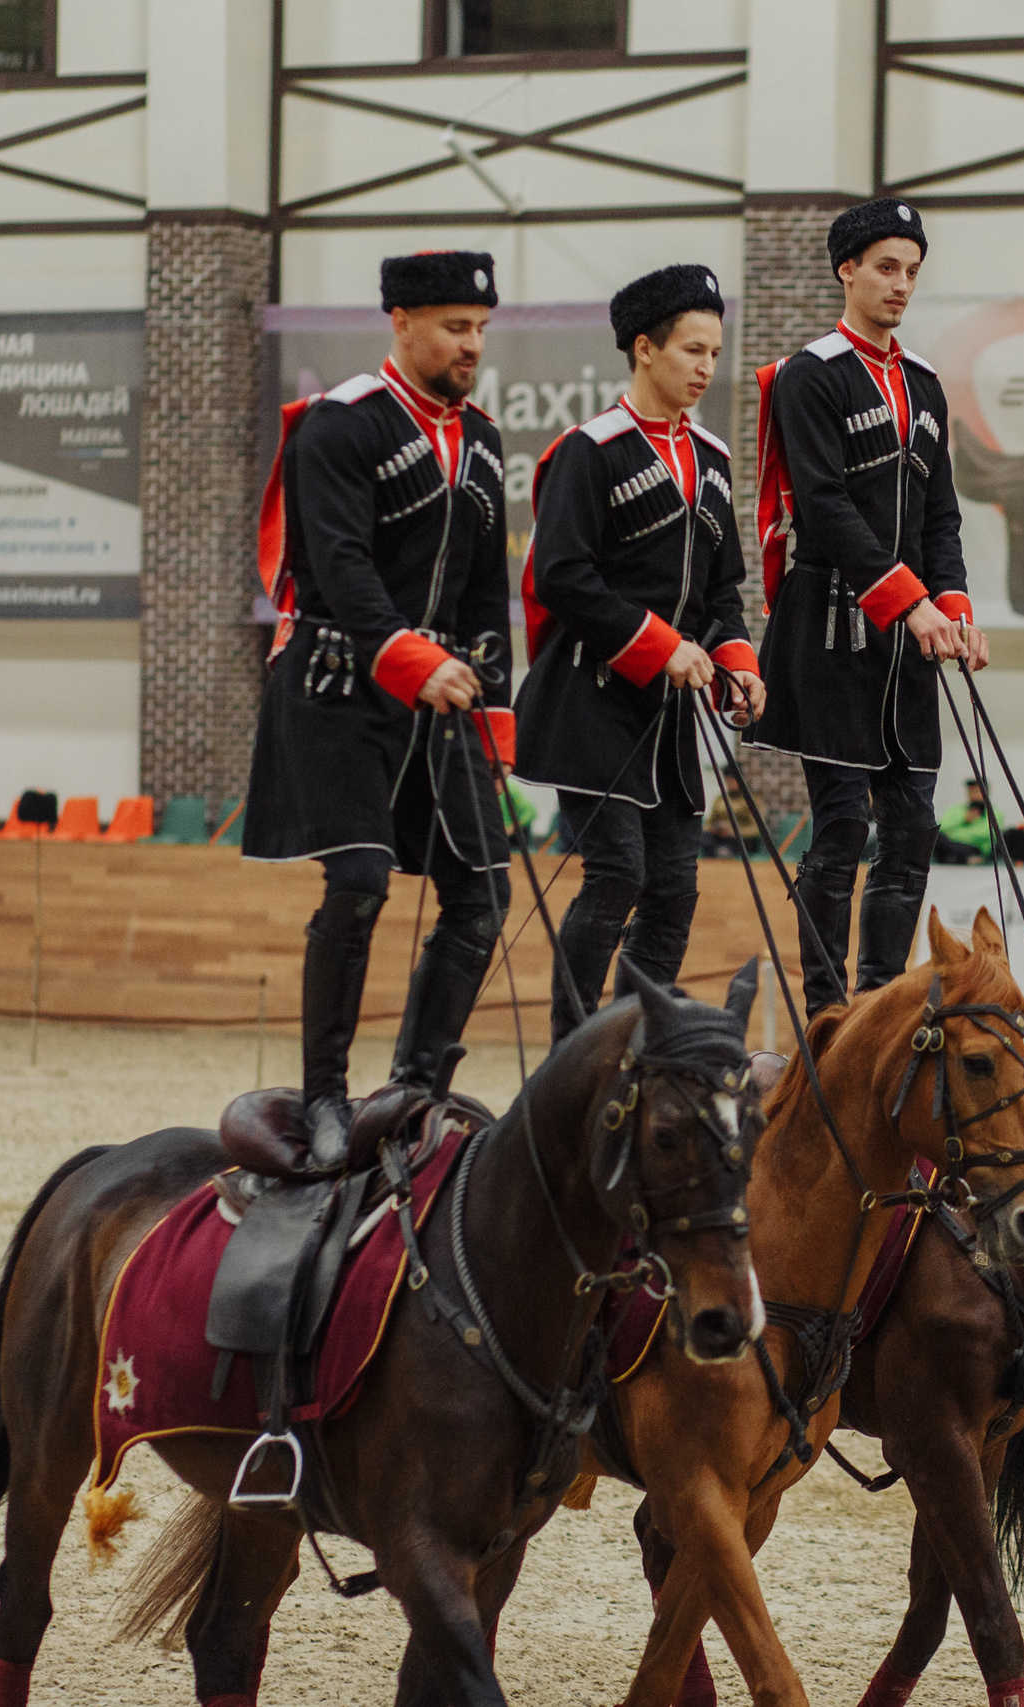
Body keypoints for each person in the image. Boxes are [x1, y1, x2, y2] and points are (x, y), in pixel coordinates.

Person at [243, 250, 515, 1171]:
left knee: (485, 892)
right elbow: (341, 564)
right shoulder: (342, 424)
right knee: (359, 879)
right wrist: (407, 656)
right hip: (337, 688)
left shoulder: (483, 439)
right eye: (453, 327)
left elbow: (486, 596)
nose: (471, 343)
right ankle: (324, 1095)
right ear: (400, 322)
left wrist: (498, 720)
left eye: (480, 328)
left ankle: (414, 1088)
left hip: (441, 697)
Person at [746, 197, 989, 1014]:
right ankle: (827, 1008)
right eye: (887, 267)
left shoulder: (923, 384)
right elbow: (820, 503)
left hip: (908, 640)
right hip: (832, 626)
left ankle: (881, 1000)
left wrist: (950, 606)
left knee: (914, 825)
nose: (902, 284)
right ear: (846, 268)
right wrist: (908, 601)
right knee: (842, 822)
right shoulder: (810, 374)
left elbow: (941, 515)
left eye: (913, 271)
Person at [514, 264, 759, 1042]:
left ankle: (633, 1047)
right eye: (691, 350)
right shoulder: (590, 451)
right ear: (644, 349)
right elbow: (561, 575)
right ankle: (571, 1055)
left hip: (669, 720)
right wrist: (660, 647)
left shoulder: (714, 460)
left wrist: (737, 664)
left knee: (675, 890)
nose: (705, 368)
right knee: (616, 874)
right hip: (589, 703)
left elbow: (723, 593)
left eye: (714, 353)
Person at [934, 779, 995, 865]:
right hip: (951, 843)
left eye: (977, 791)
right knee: (937, 837)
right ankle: (962, 859)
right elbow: (941, 827)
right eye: (971, 791)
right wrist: (964, 820)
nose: (973, 795)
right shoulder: (956, 809)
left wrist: (953, 834)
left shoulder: (994, 812)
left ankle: (955, 858)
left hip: (974, 847)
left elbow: (985, 833)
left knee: (949, 851)